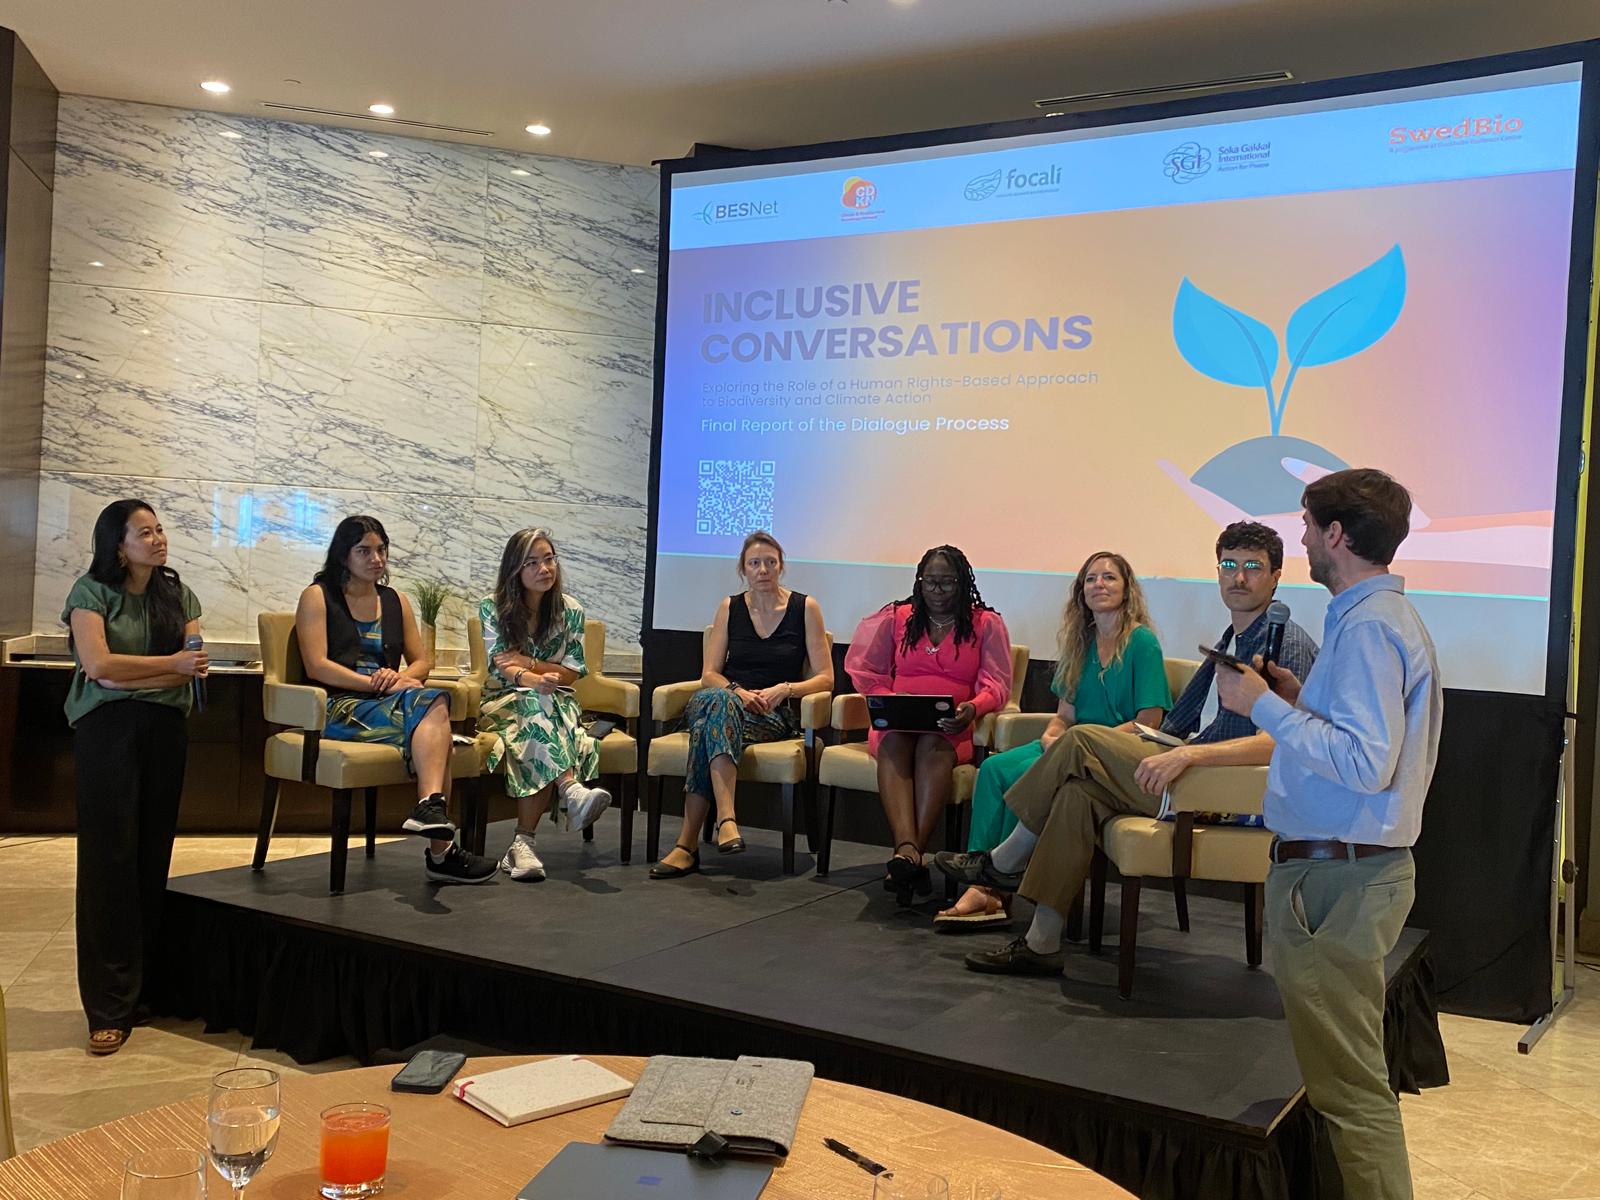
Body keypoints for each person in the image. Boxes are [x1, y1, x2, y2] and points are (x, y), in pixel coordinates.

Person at [936, 521, 1317, 973]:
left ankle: (1003, 861)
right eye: (1229, 565)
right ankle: (1041, 943)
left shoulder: (1283, 643)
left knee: (1079, 740)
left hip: (1223, 792)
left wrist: (1189, 753)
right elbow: (1177, 724)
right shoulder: (1233, 637)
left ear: (1276, 576)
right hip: (1192, 772)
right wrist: (1176, 747)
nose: (1238, 577)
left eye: (1252, 567)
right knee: (1076, 796)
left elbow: (1279, 742)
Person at [1214, 469, 1440, 1200]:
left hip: (1338, 881)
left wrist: (1263, 708)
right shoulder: (1369, 617)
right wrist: (1297, 699)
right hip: (1344, 875)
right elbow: (1358, 738)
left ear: (1337, 535)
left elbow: (1366, 764)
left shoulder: (1371, 625)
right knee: (1348, 1084)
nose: (1303, 537)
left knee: (1350, 1093)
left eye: (1309, 525)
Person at [938, 551, 1172, 927]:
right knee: (995, 768)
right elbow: (1064, 716)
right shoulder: (1081, 643)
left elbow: (1149, 722)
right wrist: (1052, 736)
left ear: (1127, 590)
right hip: (1069, 745)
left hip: (1108, 753)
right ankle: (986, 879)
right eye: (1091, 579)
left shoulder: (1142, 643)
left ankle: (988, 888)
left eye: (1109, 578)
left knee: (1036, 775)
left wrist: (1087, 741)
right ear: (1081, 592)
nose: (1099, 585)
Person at [62, 500, 208, 1056]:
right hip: (107, 729)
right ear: (117, 544)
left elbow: (193, 656)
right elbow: (99, 667)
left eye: (160, 529)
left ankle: (143, 993)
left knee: (152, 856)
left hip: (165, 727)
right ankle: (106, 1005)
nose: (157, 539)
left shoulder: (177, 593)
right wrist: (169, 665)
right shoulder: (89, 592)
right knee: (109, 862)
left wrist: (168, 667)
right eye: (143, 533)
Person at [294, 515, 495, 884]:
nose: (377, 559)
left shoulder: (395, 601)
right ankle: (440, 852)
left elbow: (422, 661)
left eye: (382, 550)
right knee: (435, 720)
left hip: (388, 701)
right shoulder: (317, 596)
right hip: (340, 706)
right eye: (364, 551)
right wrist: (375, 684)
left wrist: (401, 678)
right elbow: (317, 666)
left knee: (433, 706)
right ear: (343, 555)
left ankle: (431, 811)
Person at [650, 531, 833, 879]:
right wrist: (736, 691)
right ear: (743, 570)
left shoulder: (805, 608)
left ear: (781, 566)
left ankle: (686, 845)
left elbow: (826, 678)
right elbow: (709, 674)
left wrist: (786, 689)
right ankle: (727, 818)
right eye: (754, 563)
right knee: (717, 700)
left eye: (769, 562)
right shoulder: (730, 607)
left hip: (769, 714)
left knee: (705, 728)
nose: (762, 569)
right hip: (724, 699)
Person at [846, 545, 1013, 906]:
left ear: (963, 584)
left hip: (950, 728)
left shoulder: (985, 624)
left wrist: (973, 707)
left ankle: (905, 858)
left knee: (931, 747)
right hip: (898, 724)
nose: (937, 592)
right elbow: (866, 671)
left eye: (947, 584)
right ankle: (910, 852)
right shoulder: (897, 618)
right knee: (894, 743)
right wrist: (889, 696)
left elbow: (997, 684)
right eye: (930, 583)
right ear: (919, 583)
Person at [478, 527, 612, 881]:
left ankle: (523, 846)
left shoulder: (571, 611)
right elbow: (500, 666)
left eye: (549, 559)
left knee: (542, 712)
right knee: (536, 708)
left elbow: (571, 673)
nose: (544, 569)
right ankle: (570, 789)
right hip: (502, 701)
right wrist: (533, 679)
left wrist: (530, 665)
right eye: (533, 562)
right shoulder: (492, 608)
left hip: (557, 700)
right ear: (515, 570)